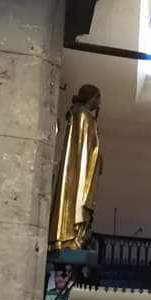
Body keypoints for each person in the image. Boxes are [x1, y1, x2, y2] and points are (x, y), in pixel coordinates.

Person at [47, 84, 101, 251]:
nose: (99, 102)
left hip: (79, 167)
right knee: (78, 197)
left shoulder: (79, 115)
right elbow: (85, 149)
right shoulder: (83, 116)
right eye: (97, 98)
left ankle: (72, 237)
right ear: (91, 97)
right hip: (79, 171)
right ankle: (71, 237)